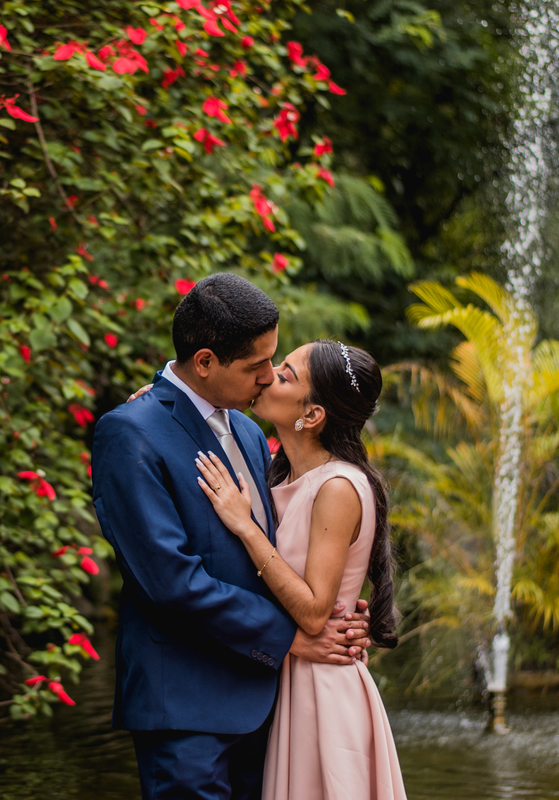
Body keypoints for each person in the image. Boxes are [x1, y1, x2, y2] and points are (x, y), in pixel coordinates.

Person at [92, 273, 372, 800]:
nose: (268, 377)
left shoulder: (247, 431)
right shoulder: (130, 432)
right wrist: (292, 637)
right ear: (205, 362)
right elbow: (171, 582)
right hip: (187, 708)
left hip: (269, 702)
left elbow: (280, 546)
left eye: (273, 361)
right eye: (255, 366)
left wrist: (339, 612)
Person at [192, 339, 407, 799]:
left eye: (285, 374)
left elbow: (313, 612)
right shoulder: (278, 473)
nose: (267, 375)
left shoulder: (338, 486)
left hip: (322, 692)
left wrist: (245, 527)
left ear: (311, 415)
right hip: (285, 679)